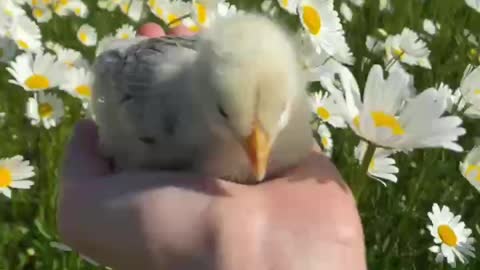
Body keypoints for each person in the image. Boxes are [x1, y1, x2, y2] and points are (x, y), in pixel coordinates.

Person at [57, 24, 367, 270]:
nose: (259, 153)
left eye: (282, 110)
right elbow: (111, 64)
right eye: (226, 114)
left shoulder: (279, 104)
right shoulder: (169, 113)